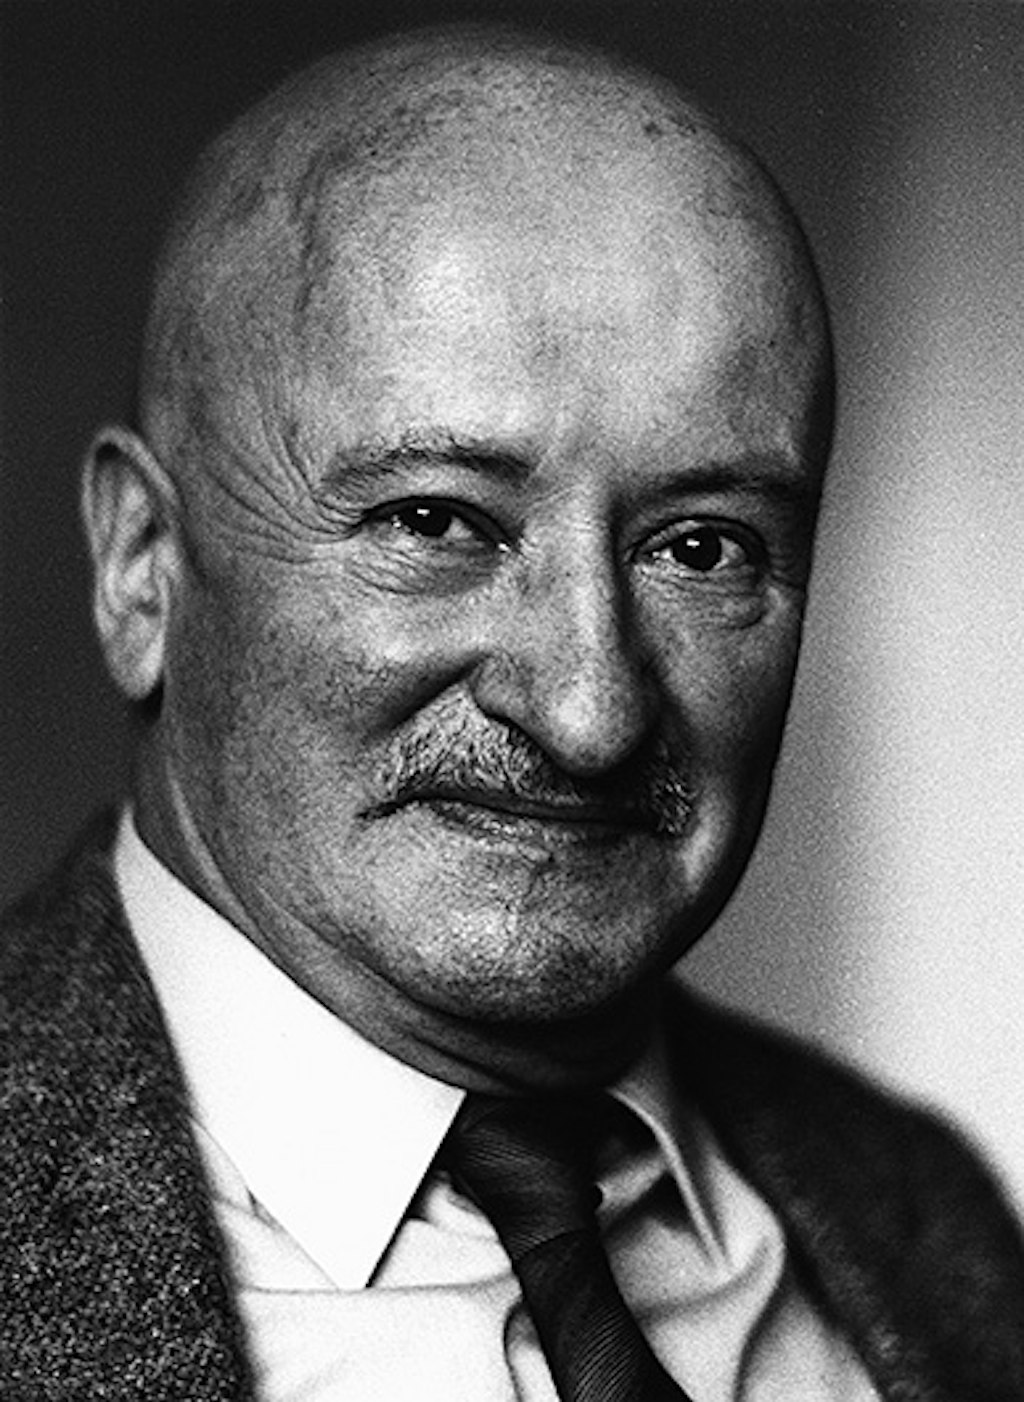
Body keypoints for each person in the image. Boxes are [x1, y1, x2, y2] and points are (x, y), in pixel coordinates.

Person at [1, 19, 1021, 1401]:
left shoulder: (935, 1231)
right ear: (141, 567)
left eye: (701, 546)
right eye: (437, 521)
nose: (590, 709)